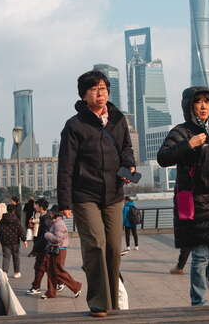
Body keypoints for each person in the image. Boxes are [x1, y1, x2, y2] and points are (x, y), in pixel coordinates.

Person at [57, 70, 136, 317]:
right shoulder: (74, 125)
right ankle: (99, 302)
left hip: (114, 193)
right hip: (85, 196)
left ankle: (113, 300)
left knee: (113, 247)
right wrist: (64, 202)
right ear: (84, 94)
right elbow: (66, 165)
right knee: (96, 246)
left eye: (103, 88)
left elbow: (126, 147)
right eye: (93, 89)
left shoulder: (118, 118)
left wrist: (129, 165)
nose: (99, 93)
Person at [157, 86, 209, 306]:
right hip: (193, 199)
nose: (204, 106)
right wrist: (188, 144)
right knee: (200, 254)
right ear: (189, 105)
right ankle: (198, 302)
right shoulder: (181, 131)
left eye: (208, 101)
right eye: (198, 101)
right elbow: (163, 158)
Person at [42, 208, 82, 300]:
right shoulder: (56, 223)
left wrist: (47, 235)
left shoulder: (59, 224)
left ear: (55, 214)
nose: (49, 214)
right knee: (51, 270)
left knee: (58, 271)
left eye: (51, 213)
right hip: (55, 249)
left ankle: (76, 286)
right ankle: (51, 292)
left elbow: (57, 239)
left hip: (59, 250)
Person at [27, 199, 52, 295]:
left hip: (44, 248)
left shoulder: (45, 218)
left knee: (41, 267)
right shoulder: (43, 216)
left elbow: (45, 236)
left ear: (41, 207)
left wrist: (37, 247)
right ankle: (35, 286)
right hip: (42, 247)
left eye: (36, 204)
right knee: (40, 268)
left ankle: (73, 285)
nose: (34, 206)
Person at [0, 211, 27, 278]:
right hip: (15, 241)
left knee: (6, 257)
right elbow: (20, 230)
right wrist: (24, 240)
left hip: (5, 242)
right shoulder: (16, 220)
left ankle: (4, 273)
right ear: (13, 211)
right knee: (16, 257)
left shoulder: (2, 220)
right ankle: (17, 272)